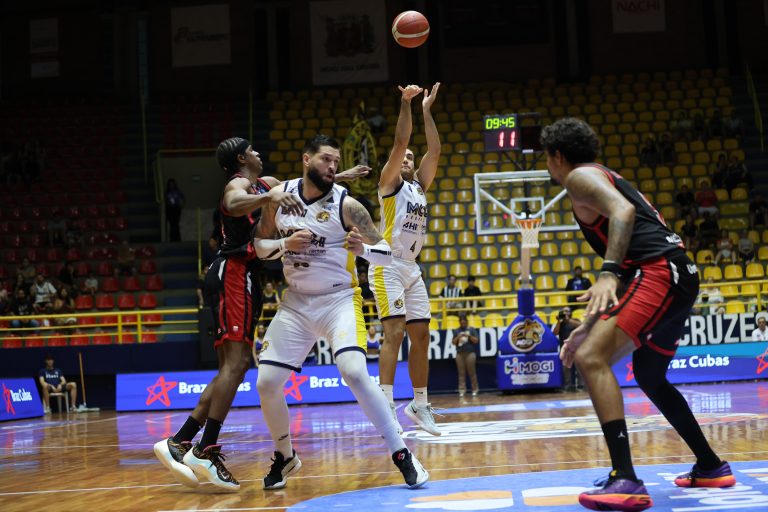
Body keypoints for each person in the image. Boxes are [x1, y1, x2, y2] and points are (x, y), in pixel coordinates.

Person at [541, 118, 735, 512]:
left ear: (557, 156)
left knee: (591, 359)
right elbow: (632, 261)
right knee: (649, 376)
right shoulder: (601, 175)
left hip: (660, 272)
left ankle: (625, 478)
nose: (547, 165)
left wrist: (607, 272)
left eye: (546, 158)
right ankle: (711, 466)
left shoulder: (579, 178)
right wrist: (586, 327)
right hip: (675, 272)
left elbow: (623, 212)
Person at [254, 134, 429, 490]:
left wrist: (363, 250)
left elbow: (386, 254)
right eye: (326, 159)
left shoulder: (348, 206)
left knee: (353, 371)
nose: (333, 166)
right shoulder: (280, 197)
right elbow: (259, 246)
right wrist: (285, 244)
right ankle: (285, 456)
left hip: (339, 300)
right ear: (307, 159)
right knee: (266, 382)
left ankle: (401, 453)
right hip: (296, 303)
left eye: (336, 161)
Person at [153, 137, 306, 491]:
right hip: (233, 273)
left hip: (243, 275)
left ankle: (182, 440)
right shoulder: (237, 185)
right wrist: (267, 198)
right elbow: (233, 203)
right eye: (253, 151)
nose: (259, 154)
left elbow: (300, 187)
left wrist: (337, 176)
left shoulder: (266, 184)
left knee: (231, 370)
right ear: (241, 158)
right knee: (236, 366)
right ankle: (206, 449)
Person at [368, 84, 442, 437]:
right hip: (387, 264)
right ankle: (385, 405)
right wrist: (406, 104)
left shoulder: (420, 187)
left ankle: (419, 404)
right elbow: (401, 142)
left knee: (422, 335)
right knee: (395, 332)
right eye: (405, 157)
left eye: (412, 157)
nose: (409, 159)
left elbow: (435, 150)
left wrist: (426, 111)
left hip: (411, 267)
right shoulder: (389, 183)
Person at [552, 306, 582, 390]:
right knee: (566, 369)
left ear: (571, 313)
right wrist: (558, 321)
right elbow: (555, 333)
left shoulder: (575, 320)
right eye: (564, 311)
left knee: (579, 367)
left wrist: (568, 320)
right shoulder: (560, 323)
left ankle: (581, 385)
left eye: (567, 311)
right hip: (565, 349)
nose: (565, 313)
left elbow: (581, 326)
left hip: (576, 348)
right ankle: (568, 385)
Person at [452, 314, 479, 397]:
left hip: (470, 353)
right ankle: (462, 390)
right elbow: (453, 342)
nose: (463, 324)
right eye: (461, 323)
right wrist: (458, 337)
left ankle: (475, 389)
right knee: (461, 373)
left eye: (464, 322)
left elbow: (476, 341)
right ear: (459, 322)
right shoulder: (457, 331)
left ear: (467, 322)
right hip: (459, 354)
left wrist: (469, 336)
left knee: (472, 372)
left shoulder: (471, 329)